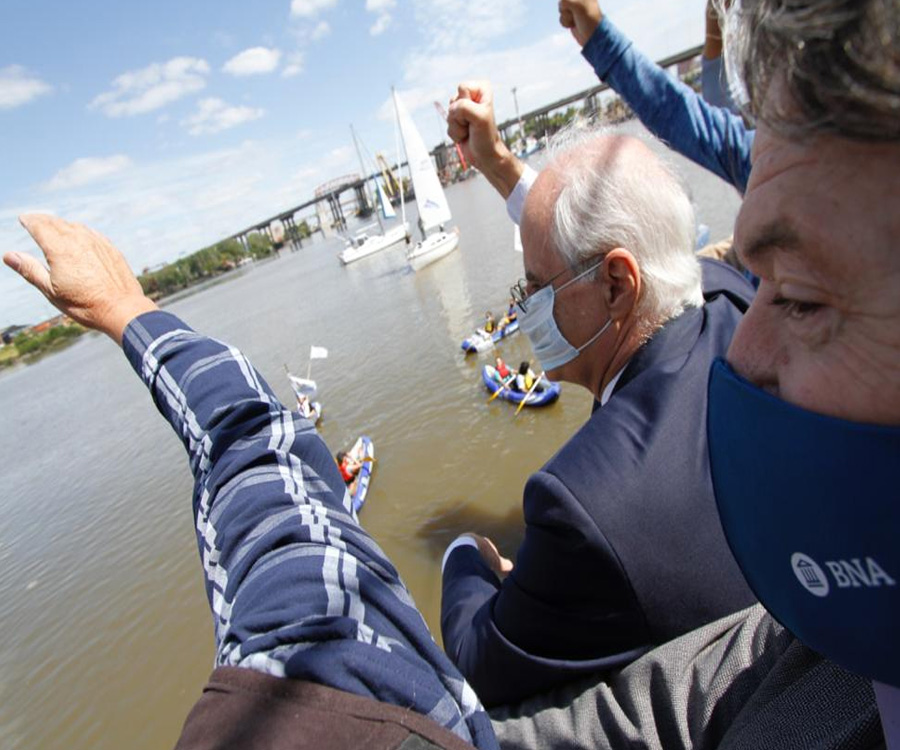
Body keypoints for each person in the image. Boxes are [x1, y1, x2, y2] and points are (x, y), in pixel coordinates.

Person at [492, 0, 899, 746]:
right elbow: (677, 698)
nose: (740, 358)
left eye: (801, 298)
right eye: (756, 273)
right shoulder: (835, 635)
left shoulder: (581, 500)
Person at [4, 215, 498, 750]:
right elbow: (256, 462)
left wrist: (120, 310)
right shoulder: (348, 697)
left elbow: (255, 473)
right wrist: (124, 306)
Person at [441, 104, 757, 707]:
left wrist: (466, 560)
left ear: (616, 286)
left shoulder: (582, 506)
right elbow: (598, 235)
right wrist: (499, 166)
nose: (521, 307)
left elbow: (481, 660)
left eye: (533, 288)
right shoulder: (728, 296)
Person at [557, 0, 753, 193]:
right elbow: (679, 112)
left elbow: (675, 113)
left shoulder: (757, 153)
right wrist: (597, 36)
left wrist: (598, 38)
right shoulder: (760, 149)